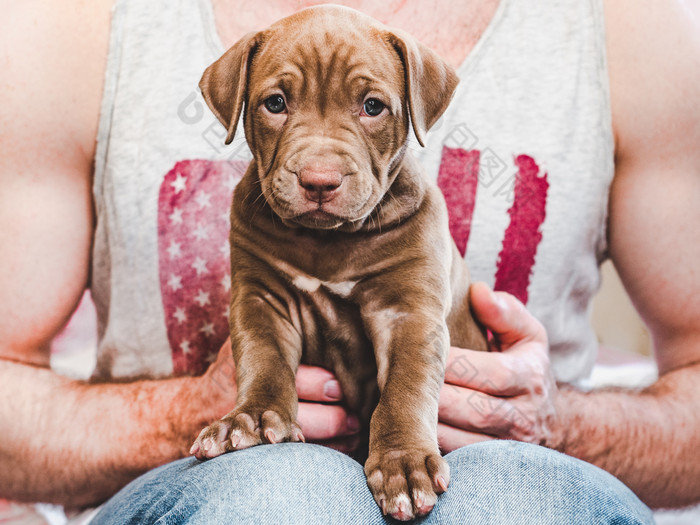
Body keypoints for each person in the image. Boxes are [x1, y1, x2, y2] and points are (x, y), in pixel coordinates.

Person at [0, 0, 698, 522]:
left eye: (371, 107)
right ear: (238, 102)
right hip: (204, 491)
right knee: (282, 492)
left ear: (415, 106)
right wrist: (186, 412)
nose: (320, 163)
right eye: (276, 104)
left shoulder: (624, 25)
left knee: (520, 496)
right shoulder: (79, 23)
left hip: (509, 471)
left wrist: (563, 424)